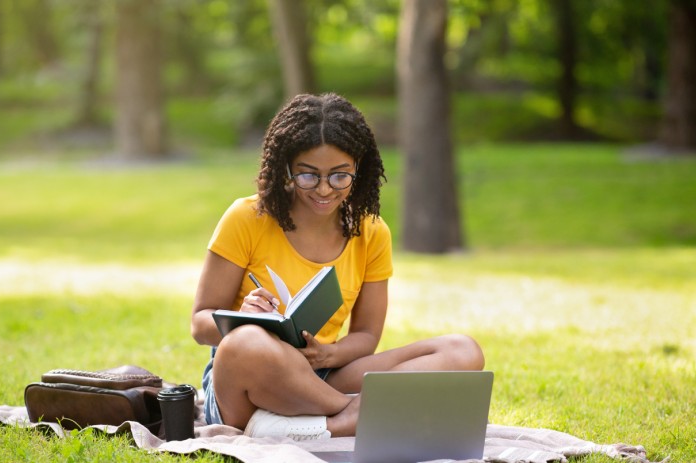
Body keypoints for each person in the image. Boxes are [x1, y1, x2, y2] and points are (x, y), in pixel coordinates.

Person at [190, 92, 484, 440]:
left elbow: (366, 336)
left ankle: (326, 423)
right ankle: (357, 415)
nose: (325, 189)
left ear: (358, 171)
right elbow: (199, 323)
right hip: (247, 383)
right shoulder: (247, 217)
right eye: (309, 176)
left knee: (462, 351)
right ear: (287, 168)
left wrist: (329, 353)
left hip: (321, 376)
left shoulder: (372, 232)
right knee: (246, 343)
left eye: (340, 176)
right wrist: (242, 316)